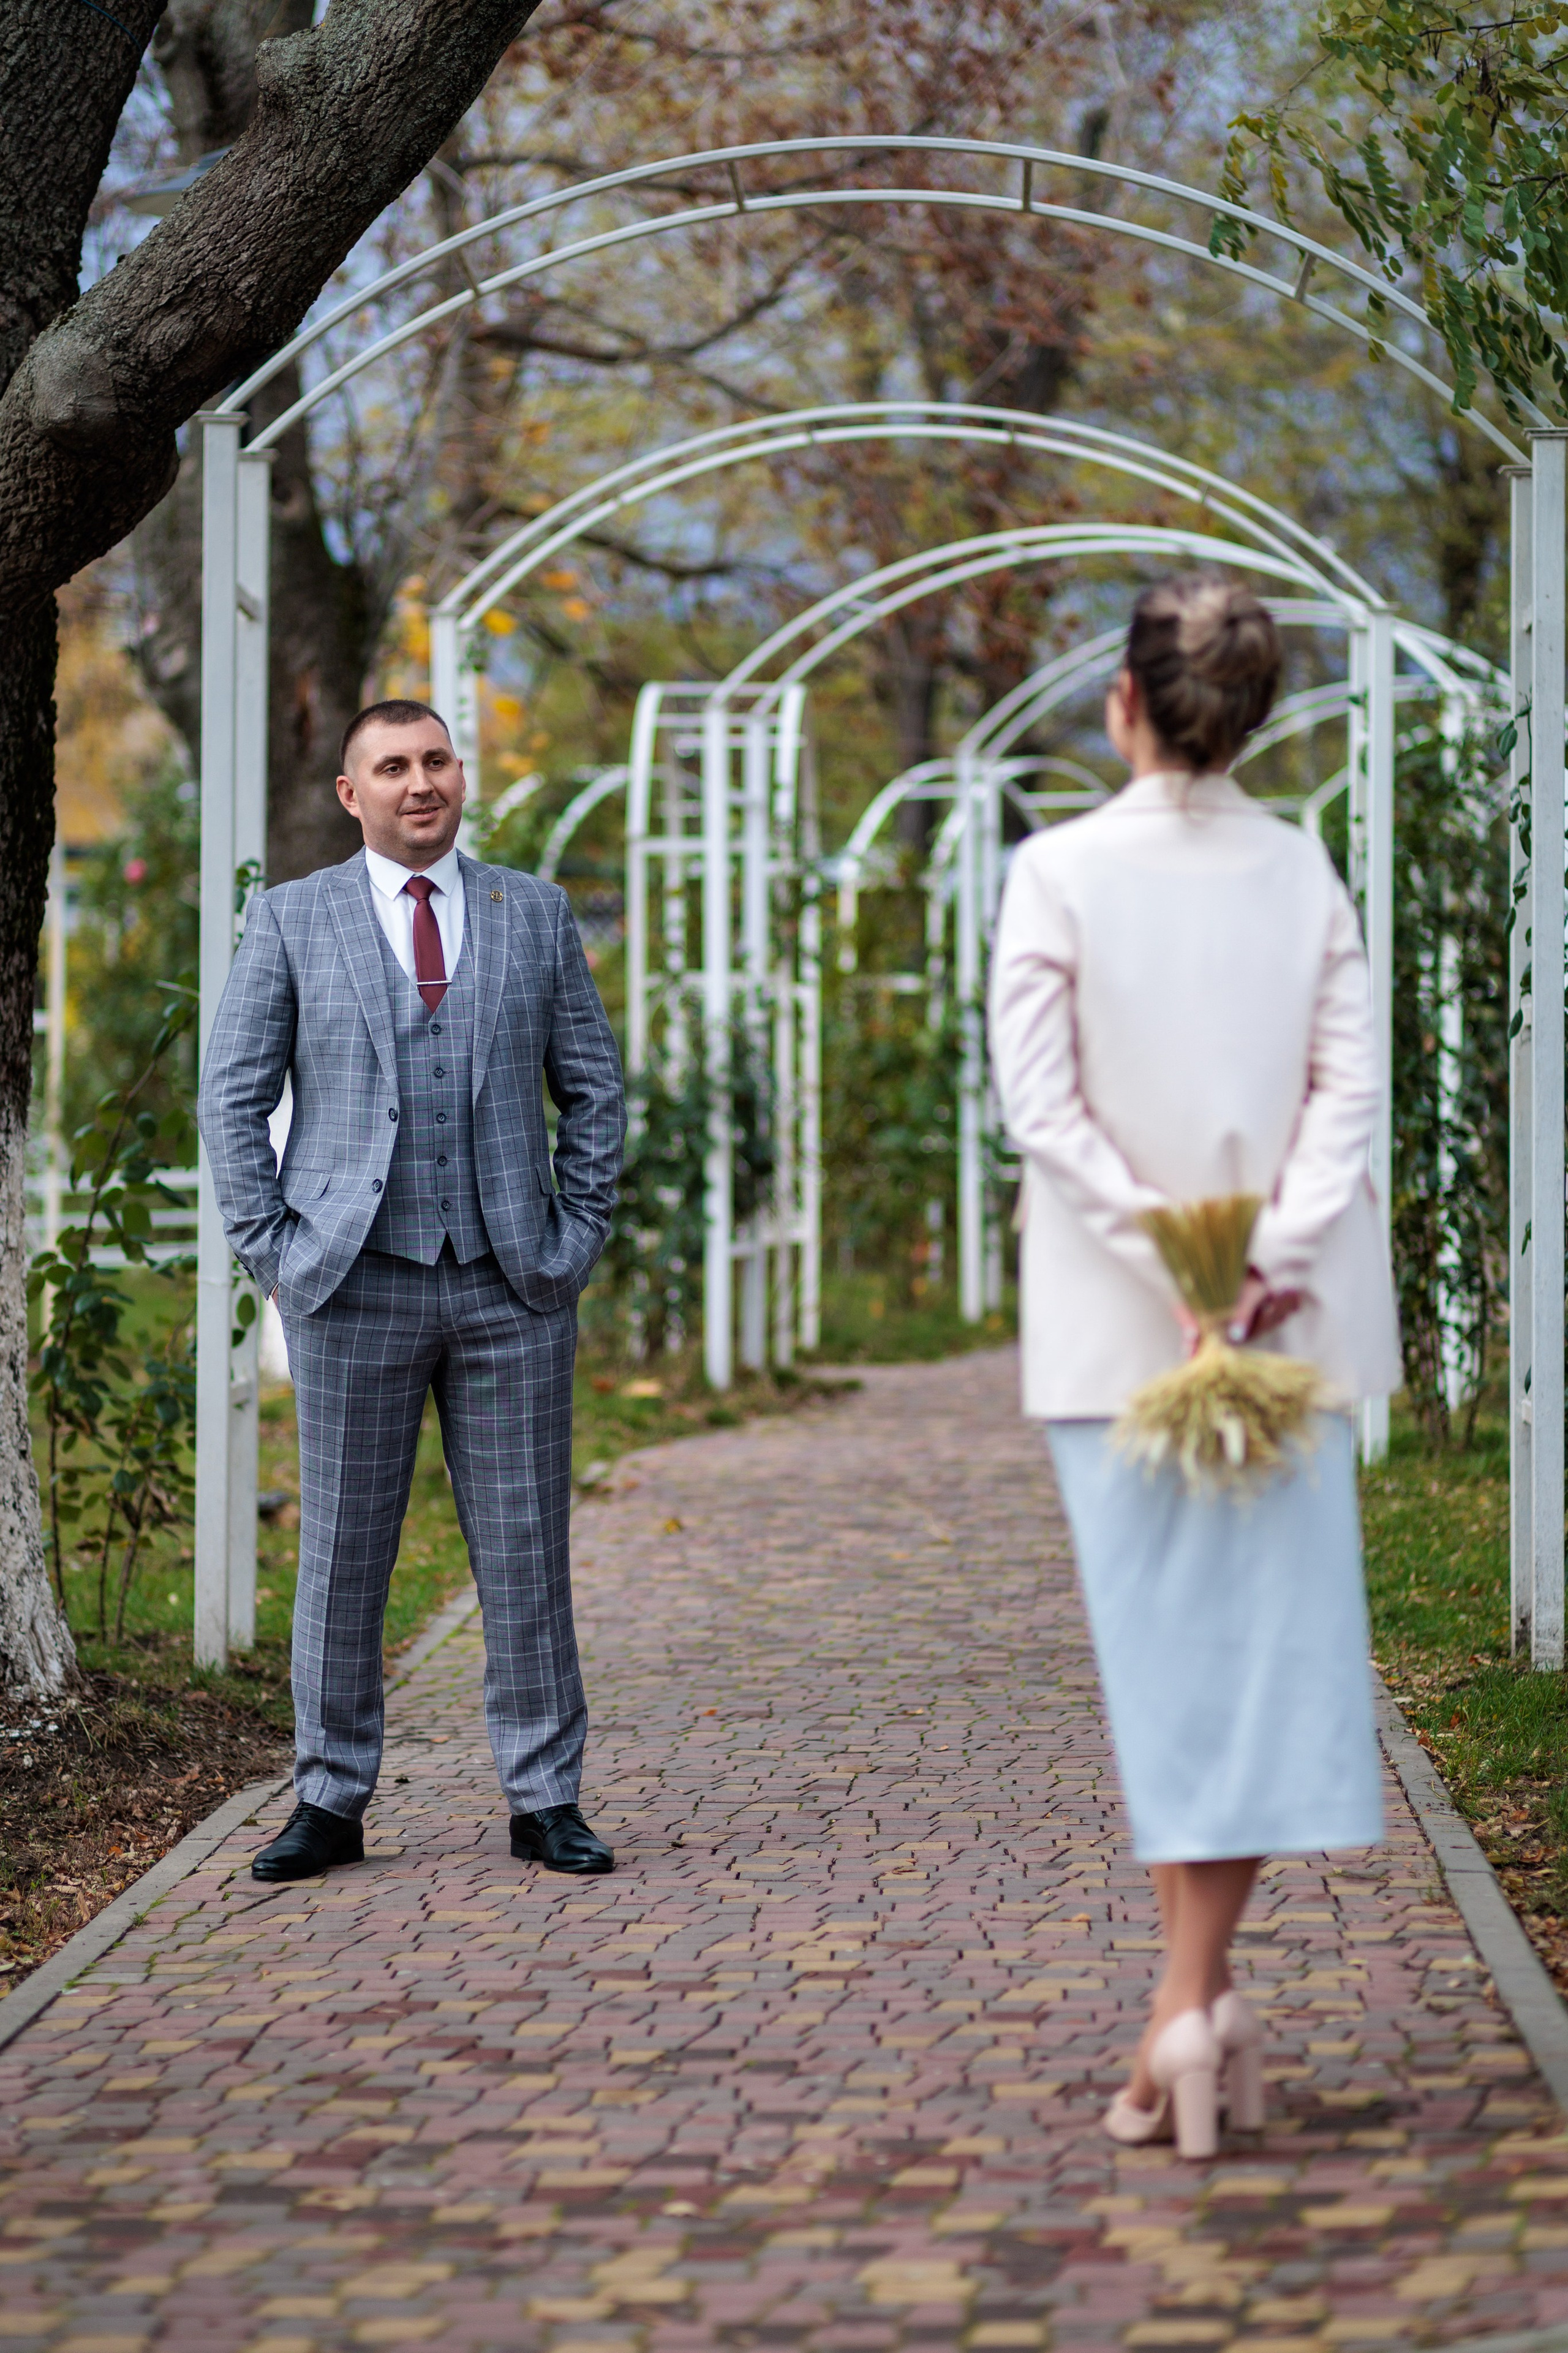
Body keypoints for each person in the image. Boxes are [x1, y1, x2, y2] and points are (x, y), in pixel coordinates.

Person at [988, 575, 1399, 2159]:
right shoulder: (1303, 867)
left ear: (1125, 702)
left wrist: (1173, 1255)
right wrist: (1266, 1261)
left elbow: (1042, 1105)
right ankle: (1199, 2001)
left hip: (1119, 1328)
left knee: (1170, 1675)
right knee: (1243, 1671)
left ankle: (1184, 2005)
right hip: (1290, 1337)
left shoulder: (1058, 869)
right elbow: (1344, 1095)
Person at [199, 699, 627, 1884]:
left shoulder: (532, 913)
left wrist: (574, 1234)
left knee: (526, 1549)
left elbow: (594, 1088)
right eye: (392, 766)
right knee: (342, 1553)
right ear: (353, 793)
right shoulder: (290, 919)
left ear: (459, 776)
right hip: (351, 1286)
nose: (419, 782)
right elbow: (231, 1101)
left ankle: (546, 1800)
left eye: (436, 760)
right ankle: (329, 1802)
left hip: (511, 1286)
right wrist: (277, 1255)